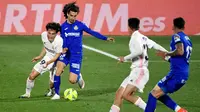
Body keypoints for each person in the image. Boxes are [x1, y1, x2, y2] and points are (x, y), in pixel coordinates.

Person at [51, 2, 114, 100]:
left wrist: (105, 38)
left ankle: (78, 76)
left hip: (76, 54)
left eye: (75, 16)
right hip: (66, 53)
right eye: (71, 15)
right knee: (58, 70)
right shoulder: (62, 27)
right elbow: (61, 39)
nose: (73, 18)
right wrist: (62, 48)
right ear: (67, 14)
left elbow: (92, 32)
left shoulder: (80, 25)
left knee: (72, 80)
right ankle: (57, 94)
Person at [109, 18, 168, 112]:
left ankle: (150, 110)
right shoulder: (142, 37)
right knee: (119, 93)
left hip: (140, 71)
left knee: (126, 95)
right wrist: (167, 52)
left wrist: (125, 58)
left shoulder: (134, 38)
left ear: (130, 27)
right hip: (135, 71)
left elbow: (139, 51)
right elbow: (155, 45)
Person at [144, 17, 192, 112]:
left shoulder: (176, 36)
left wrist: (167, 53)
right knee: (157, 92)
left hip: (176, 74)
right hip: (182, 73)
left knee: (153, 94)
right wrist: (167, 58)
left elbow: (180, 51)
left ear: (174, 26)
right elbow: (182, 58)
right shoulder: (187, 39)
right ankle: (180, 110)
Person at [19, 22, 63, 98]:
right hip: (48, 57)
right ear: (47, 31)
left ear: (56, 33)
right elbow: (46, 46)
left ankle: (52, 91)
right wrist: (40, 56)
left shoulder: (59, 41)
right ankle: (27, 94)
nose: (50, 35)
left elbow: (57, 56)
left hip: (57, 61)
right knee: (32, 75)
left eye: (53, 34)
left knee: (52, 84)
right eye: (49, 33)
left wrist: (48, 63)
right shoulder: (43, 35)